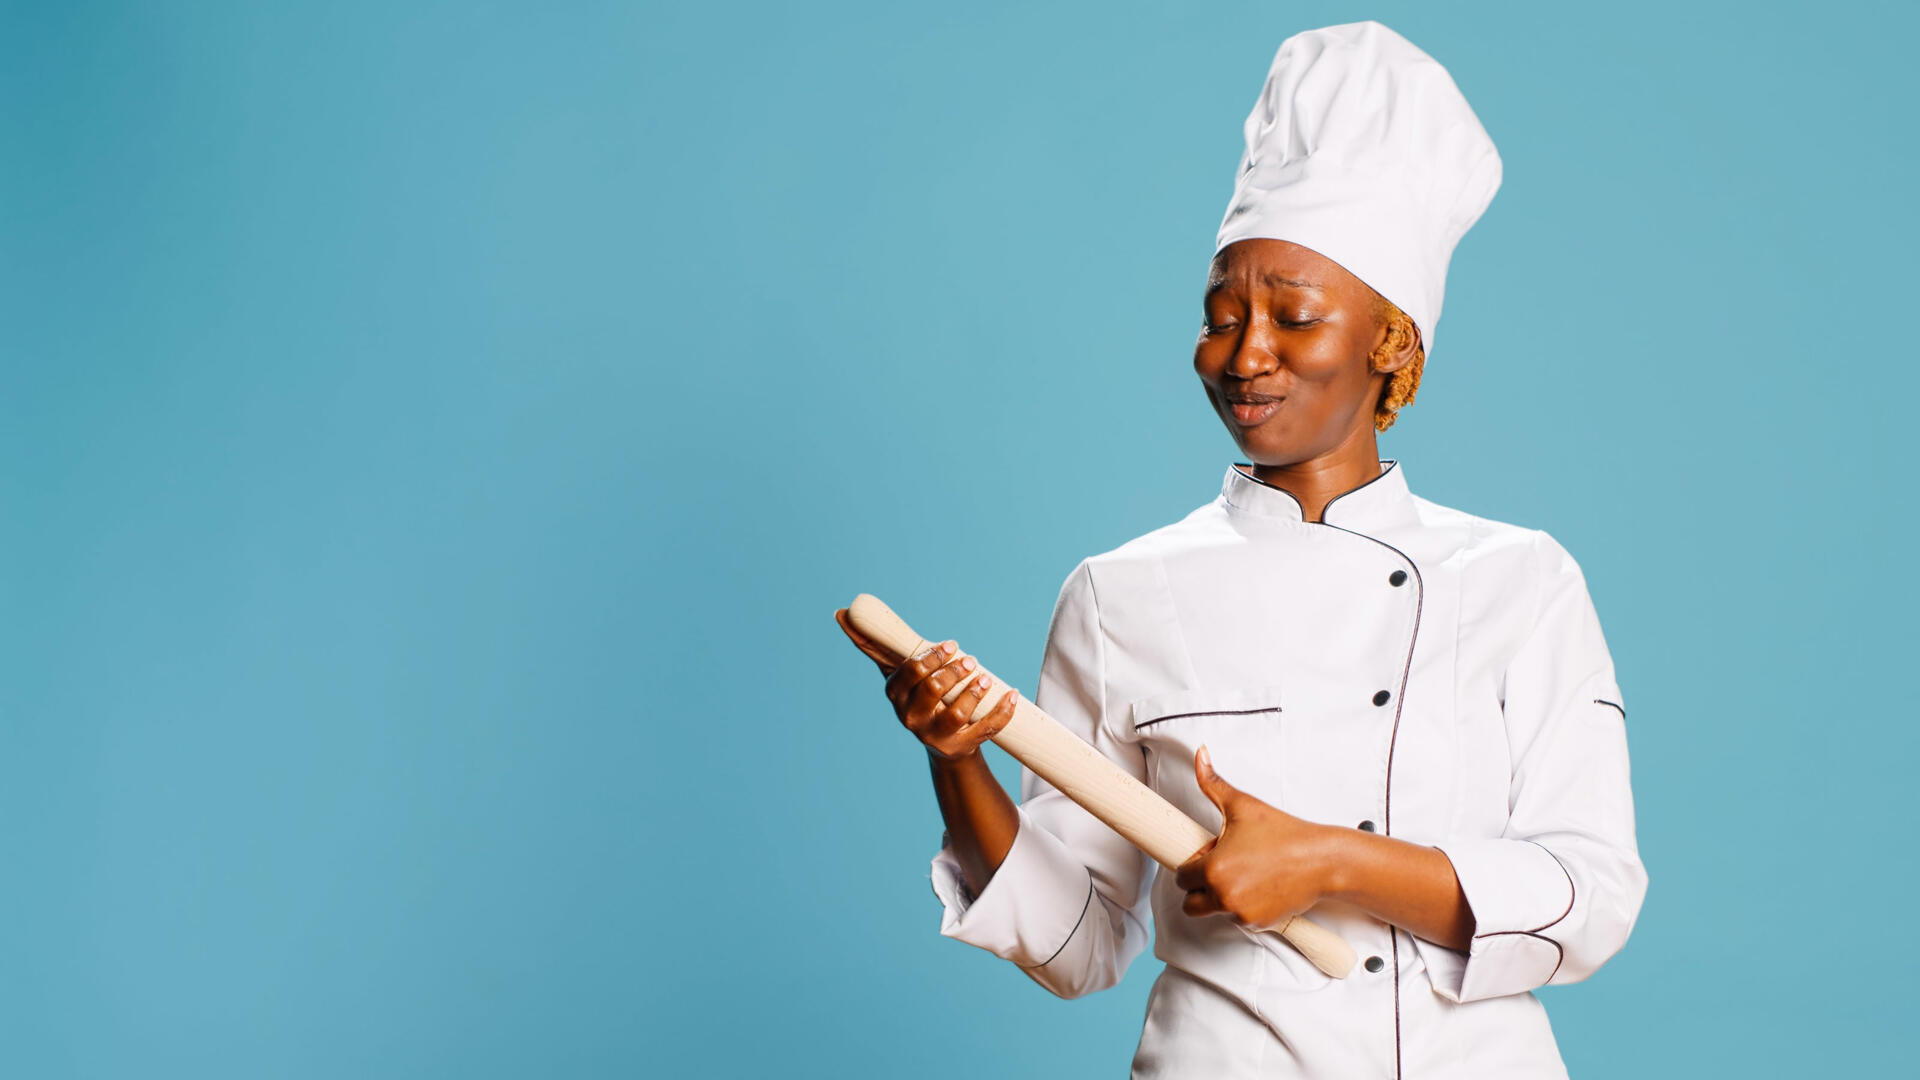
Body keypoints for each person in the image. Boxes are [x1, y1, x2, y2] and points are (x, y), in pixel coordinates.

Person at [836, 20, 1646, 1079]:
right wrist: (957, 762)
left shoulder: (1518, 581)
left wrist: (1331, 862)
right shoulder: (1119, 595)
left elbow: (1593, 895)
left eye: (1293, 317)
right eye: (1222, 318)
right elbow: (1078, 945)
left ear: (1390, 344)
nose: (1246, 355)